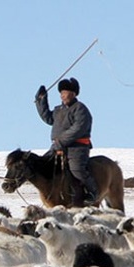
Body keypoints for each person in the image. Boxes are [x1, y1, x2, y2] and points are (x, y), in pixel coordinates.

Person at [35, 77, 98, 207]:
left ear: (73, 93)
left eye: (65, 93)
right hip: (58, 146)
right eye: (61, 93)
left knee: (77, 169)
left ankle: (92, 192)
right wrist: (41, 100)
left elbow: (78, 129)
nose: (62, 96)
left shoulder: (80, 109)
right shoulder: (59, 110)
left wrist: (61, 141)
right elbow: (47, 117)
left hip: (77, 147)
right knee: (43, 164)